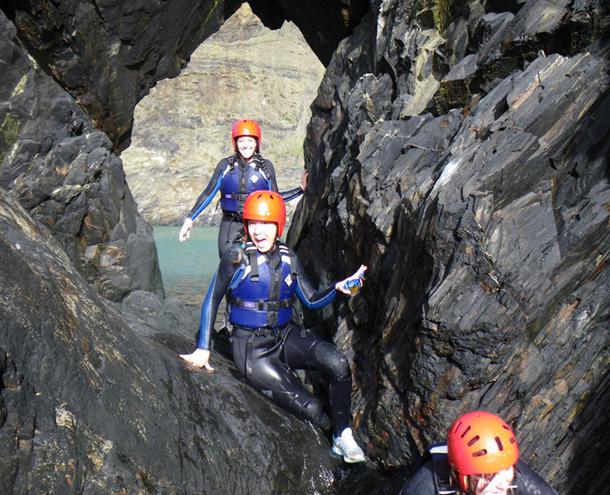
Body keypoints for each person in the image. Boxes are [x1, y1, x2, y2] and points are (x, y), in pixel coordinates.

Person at [180, 190, 368, 463]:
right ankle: (326, 431)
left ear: (278, 226)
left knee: (337, 364)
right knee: (313, 409)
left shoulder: (288, 257)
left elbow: (312, 300)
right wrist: (203, 348)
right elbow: (212, 299)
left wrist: (338, 288)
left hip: (284, 336)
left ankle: (342, 436)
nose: (258, 231)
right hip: (251, 349)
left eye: (266, 224)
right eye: (253, 224)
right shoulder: (236, 257)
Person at [178, 119, 306, 256]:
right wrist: (189, 219)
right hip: (230, 225)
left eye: (250, 141)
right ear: (235, 143)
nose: (246, 146)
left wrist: (300, 189)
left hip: (257, 226)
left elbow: (276, 198)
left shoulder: (265, 167)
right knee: (228, 266)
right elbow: (208, 194)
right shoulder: (225, 166)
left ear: (257, 143)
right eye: (241, 141)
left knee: (259, 266)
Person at [398, 410, 558, 495]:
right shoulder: (427, 485)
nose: (503, 483)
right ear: (461, 475)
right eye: (488, 476)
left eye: (507, 469)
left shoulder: (518, 480)